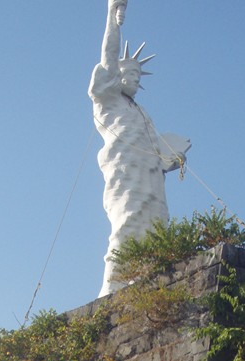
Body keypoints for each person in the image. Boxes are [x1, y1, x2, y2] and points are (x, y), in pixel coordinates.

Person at [90, 0, 191, 296]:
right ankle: (110, 288)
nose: (132, 80)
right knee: (128, 222)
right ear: (115, 79)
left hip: (151, 178)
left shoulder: (142, 113)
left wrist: (171, 158)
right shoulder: (108, 101)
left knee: (155, 222)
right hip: (125, 173)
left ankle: (145, 280)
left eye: (136, 76)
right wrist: (113, 16)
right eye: (127, 75)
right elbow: (108, 58)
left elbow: (157, 152)